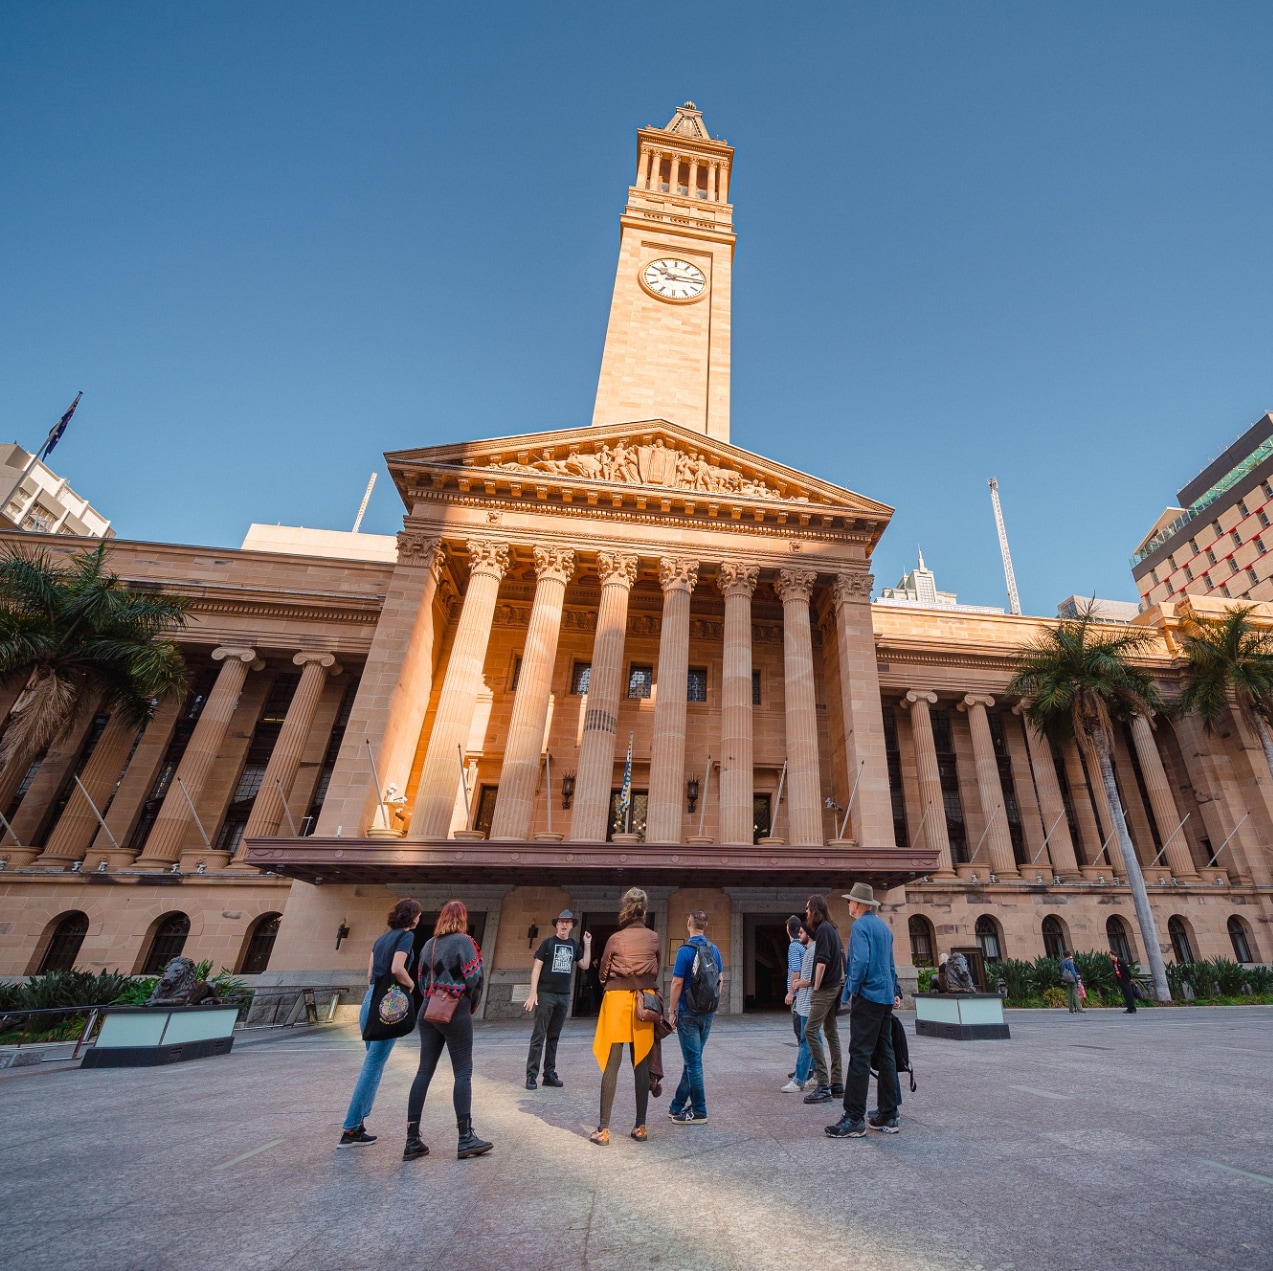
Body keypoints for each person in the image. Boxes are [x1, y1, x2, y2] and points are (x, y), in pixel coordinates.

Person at [403, 900, 492, 1162]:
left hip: (428, 1010)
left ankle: (411, 1140)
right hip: (455, 1009)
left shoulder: (429, 945)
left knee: (423, 1071)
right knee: (463, 1071)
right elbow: (475, 978)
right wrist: (470, 1004)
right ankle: (465, 1137)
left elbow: (420, 980)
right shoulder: (464, 942)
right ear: (462, 918)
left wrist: (432, 998)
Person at [338, 898, 421, 1148]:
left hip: (370, 1000)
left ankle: (357, 1126)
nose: (419, 919)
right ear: (412, 916)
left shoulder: (380, 939)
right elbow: (397, 967)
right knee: (373, 1066)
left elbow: (369, 974)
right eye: (418, 914)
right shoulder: (405, 937)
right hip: (388, 1003)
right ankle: (351, 1128)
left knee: (372, 1063)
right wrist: (410, 984)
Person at [827, 882, 900, 1139]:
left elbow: (860, 963)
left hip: (867, 997)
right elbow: (890, 964)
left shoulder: (860, 927)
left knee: (859, 1055)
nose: (848, 904)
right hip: (884, 998)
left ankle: (853, 1118)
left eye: (850, 901)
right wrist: (895, 991)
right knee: (886, 1053)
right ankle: (889, 1114)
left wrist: (848, 992)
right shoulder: (883, 927)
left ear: (858, 904)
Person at [590, 886, 660, 1145]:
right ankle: (640, 1127)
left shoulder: (616, 938)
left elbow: (603, 973)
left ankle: (604, 1130)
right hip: (644, 1001)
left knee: (612, 1062)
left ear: (625, 908)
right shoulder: (654, 937)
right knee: (640, 1061)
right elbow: (655, 968)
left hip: (618, 1000)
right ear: (645, 909)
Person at [524, 909, 592, 1089]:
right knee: (539, 1036)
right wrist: (533, 992)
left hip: (563, 996)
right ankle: (531, 1075)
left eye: (567, 922)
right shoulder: (547, 944)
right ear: (556, 924)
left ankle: (548, 1074)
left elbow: (584, 964)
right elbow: (537, 968)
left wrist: (587, 944)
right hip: (546, 995)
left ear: (571, 926)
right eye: (561, 921)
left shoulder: (574, 945)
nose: (564, 925)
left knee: (554, 1037)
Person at [667, 909, 723, 1125]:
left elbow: (677, 983)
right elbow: (720, 980)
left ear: (689, 923)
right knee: (692, 1061)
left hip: (689, 1013)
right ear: (705, 926)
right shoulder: (714, 949)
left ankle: (699, 1110)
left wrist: (672, 1011)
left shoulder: (685, 951)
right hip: (707, 1013)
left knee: (693, 1063)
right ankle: (676, 1106)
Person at [801, 894, 844, 1105]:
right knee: (830, 1031)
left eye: (808, 908)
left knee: (810, 1030)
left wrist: (815, 987)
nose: (806, 911)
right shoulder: (830, 928)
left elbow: (821, 962)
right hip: (834, 987)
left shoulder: (825, 930)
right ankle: (837, 1083)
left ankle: (823, 1084)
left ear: (815, 910)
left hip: (825, 988)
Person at [782, 919, 817, 1093]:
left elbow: (796, 970)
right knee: (813, 1036)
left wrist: (791, 991)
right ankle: (814, 1071)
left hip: (800, 995)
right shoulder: (805, 947)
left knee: (803, 1035)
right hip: (807, 994)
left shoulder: (794, 947)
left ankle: (804, 1073)